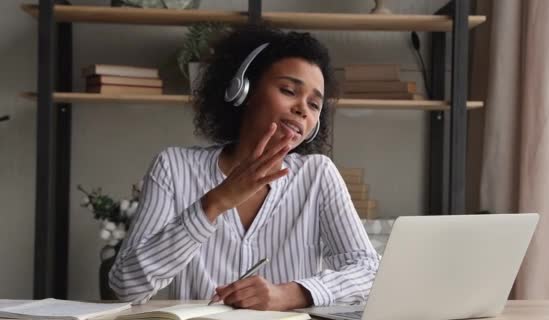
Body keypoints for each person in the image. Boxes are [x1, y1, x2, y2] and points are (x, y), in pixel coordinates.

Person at [109, 25, 380, 311]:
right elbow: (126, 287)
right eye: (289, 90)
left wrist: (291, 294)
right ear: (245, 90)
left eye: (314, 104)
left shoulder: (317, 176)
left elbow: (370, 271)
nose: (302, 108)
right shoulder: (174, 168)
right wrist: (214, 203)